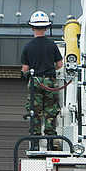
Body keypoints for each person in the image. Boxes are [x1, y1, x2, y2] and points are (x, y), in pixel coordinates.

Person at [21, 10, 63, 144]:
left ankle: (35, 141)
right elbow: (60, 64)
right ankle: (50, 140)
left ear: (32, 27)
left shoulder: (28, 47)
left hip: (35, 82)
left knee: (35, 111)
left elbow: (25, 69)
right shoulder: (52, 45)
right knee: (51, 111)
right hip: (50, 82)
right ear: (46, 28)